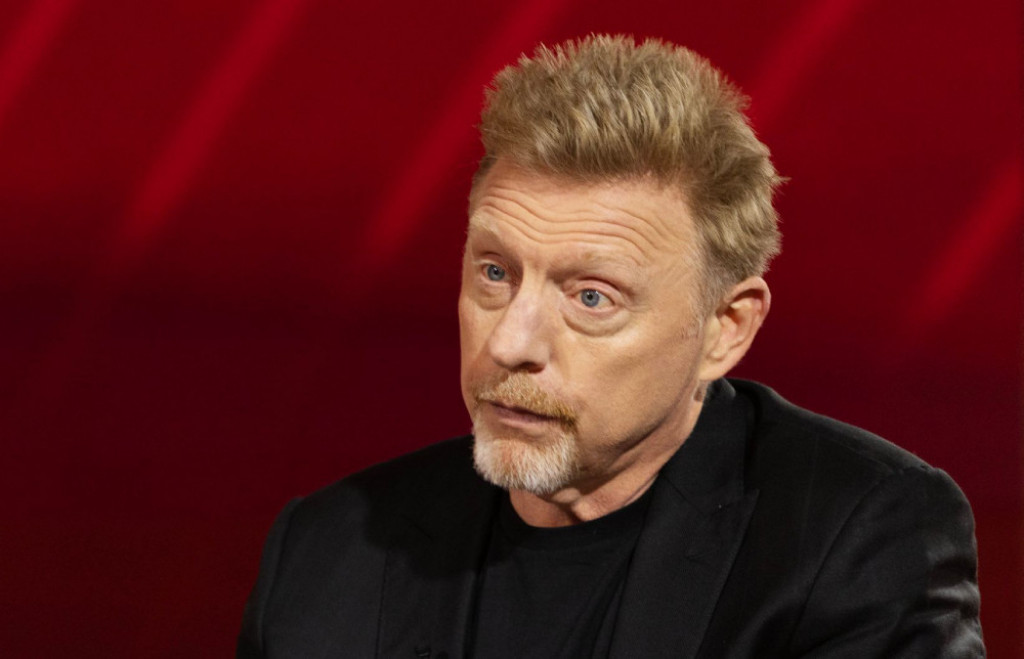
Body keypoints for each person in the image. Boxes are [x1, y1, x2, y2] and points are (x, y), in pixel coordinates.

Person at [237, 35, 984, 658]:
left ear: (726, 328)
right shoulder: (326, 552)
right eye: (495, 273)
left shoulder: (854, 539)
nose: (510, 342)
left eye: (591, 296)